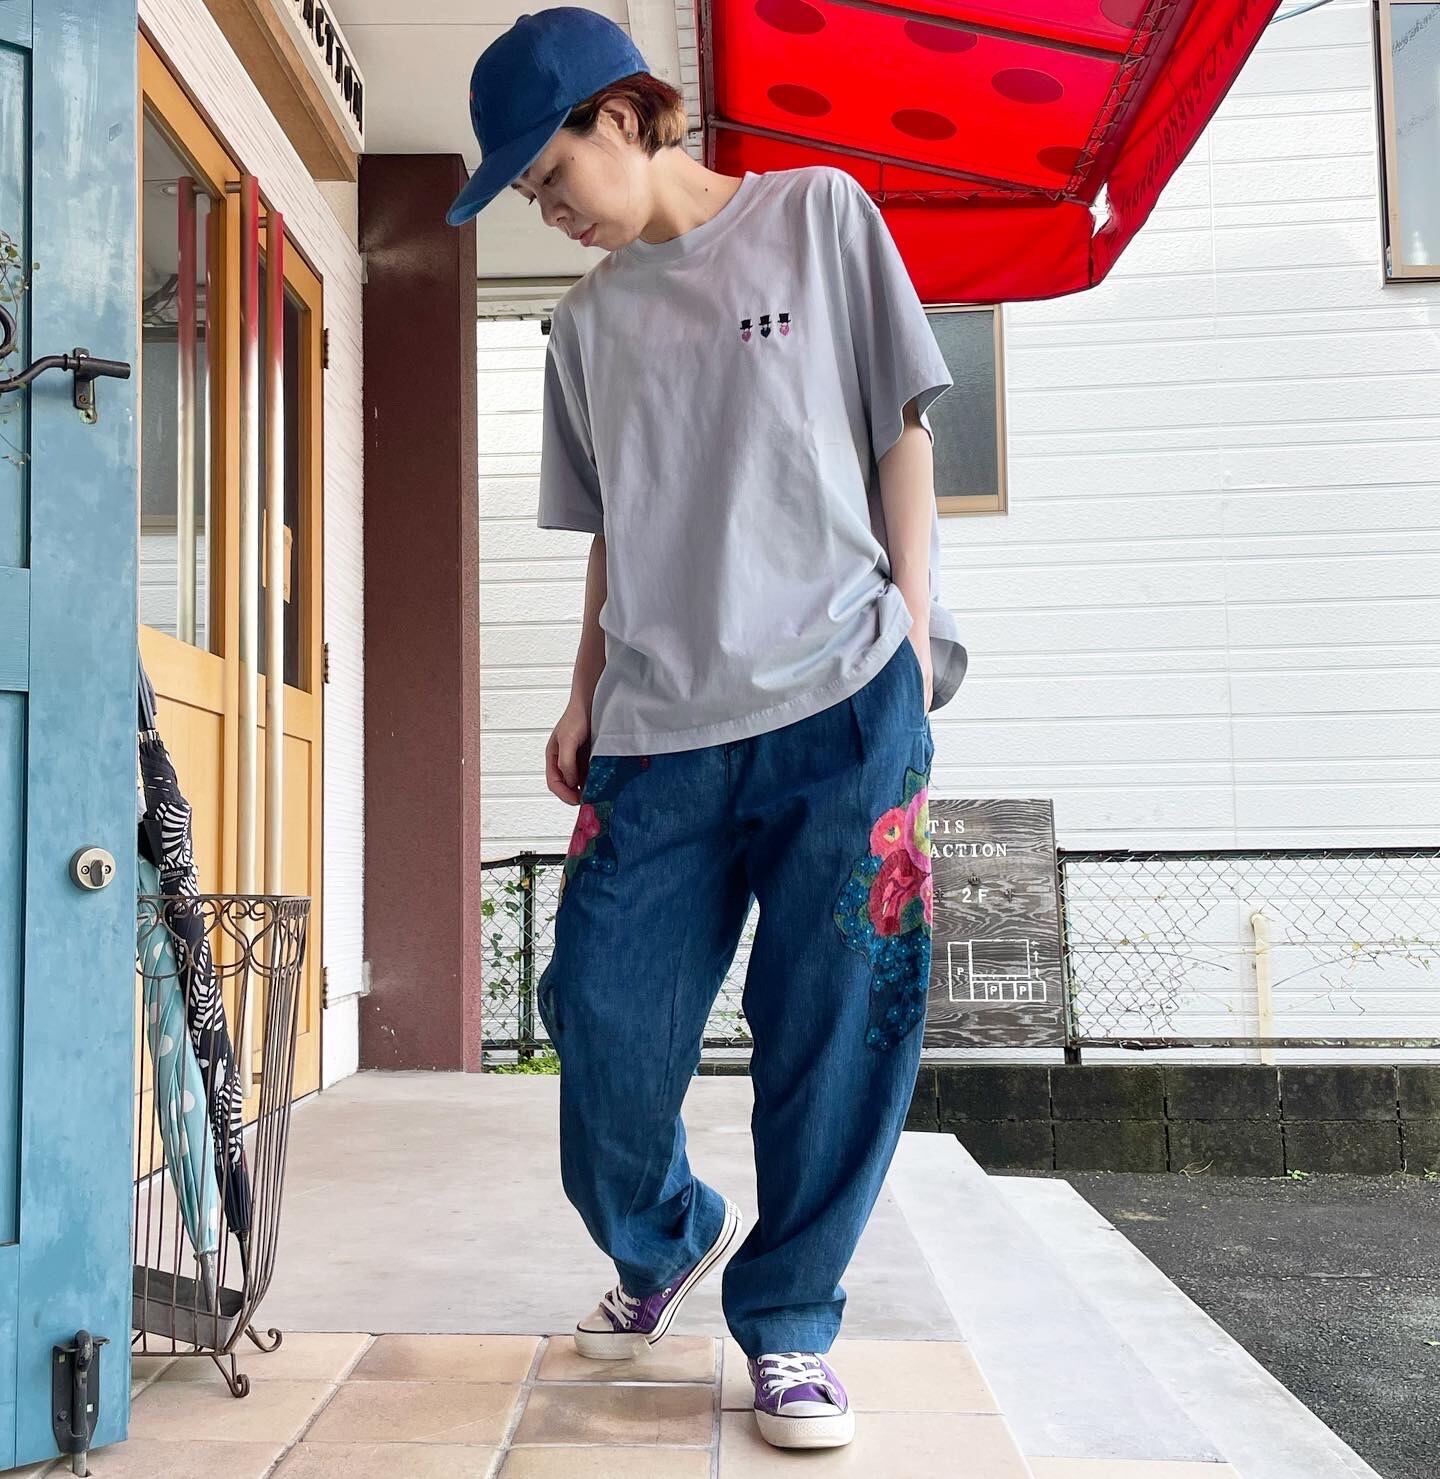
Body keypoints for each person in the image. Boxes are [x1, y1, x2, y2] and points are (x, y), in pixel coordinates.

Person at [448, 5, 967, 1452]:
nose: (548, 210)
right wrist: (581, 691)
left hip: (841, 701)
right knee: (597, 1020)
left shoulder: (818, 217)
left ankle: (792, 1325)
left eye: (551, 172)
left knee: (837, 1030)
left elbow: (900, 433)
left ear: (622, 115)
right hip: (657, 730)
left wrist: (911, 640)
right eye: (526, 195)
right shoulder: (583, 326)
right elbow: (618, 530)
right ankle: (668, 1234)